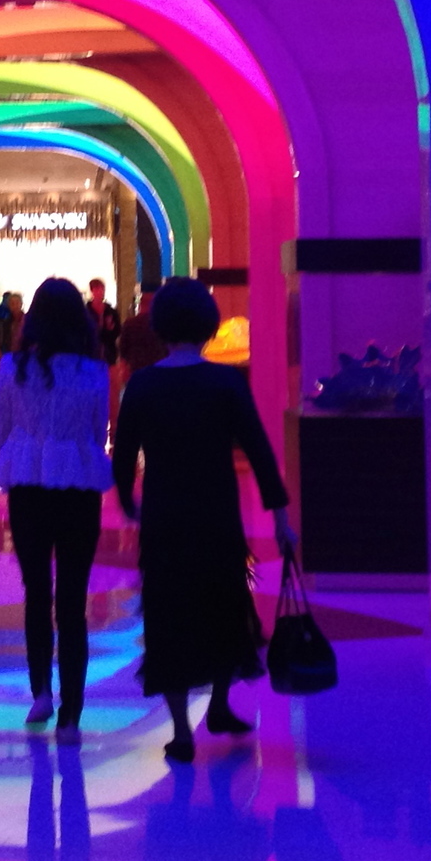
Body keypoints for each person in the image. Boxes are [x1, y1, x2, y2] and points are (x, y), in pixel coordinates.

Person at [111, 276, 297, 764]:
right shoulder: (226, 381)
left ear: (160, 326)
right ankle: (218, 704)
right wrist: (280, 515)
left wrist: (129, 504)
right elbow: (259, 449)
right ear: (208, 326)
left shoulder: (143, 386)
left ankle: (180, 729)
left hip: (165, 513)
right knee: (223, 603)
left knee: (168, 611)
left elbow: (124, 457)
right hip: (217, 510)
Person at [0, 278, 113, 735]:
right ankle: (72, 711)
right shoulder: (93, 372)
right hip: (79, 485)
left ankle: (40, 691)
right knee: (73, 599)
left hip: (28, 485)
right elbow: (99, 429)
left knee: (36, 593)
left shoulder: (12, 369)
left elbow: (2, 432)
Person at [85, 278, 123, 366]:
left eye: (102, 289)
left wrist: (109, 330)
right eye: (97, 289)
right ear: (92, 291)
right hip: (91, 353)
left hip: (109, 353)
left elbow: (117, 331)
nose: (101, 292)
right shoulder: (86, 312)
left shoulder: (111, 312)